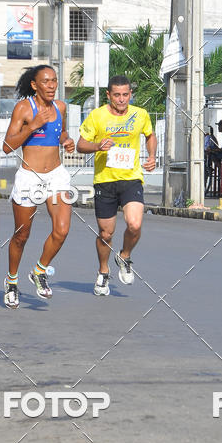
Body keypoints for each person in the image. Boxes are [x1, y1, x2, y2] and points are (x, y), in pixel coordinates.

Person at [77, 75, 157, 296]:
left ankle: (125, 255)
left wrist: (152, 156)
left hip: (131, 178)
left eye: (125, 95)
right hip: (105, 180)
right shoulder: (97, 116)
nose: (121, 100)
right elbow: (80, 145)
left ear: (130, 94)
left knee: (134, 224)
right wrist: (97, 146)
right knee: (106, 233)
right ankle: (103, 271)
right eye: (117, 95)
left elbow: (150, 135)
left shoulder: (140, 114)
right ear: (109, 95)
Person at [2, 65, 75, 309]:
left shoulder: (60, 107)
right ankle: (12, 281)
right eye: (46, 81)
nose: (52, 85)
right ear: (35, 85)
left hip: (56, 175)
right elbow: (7, 147)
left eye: (54, 80)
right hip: (29, 177)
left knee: (62, 230)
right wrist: (32, 126)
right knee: (22, 235)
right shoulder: (24, 108)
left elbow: (61, 132)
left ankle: (39, 270)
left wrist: (66, 141)